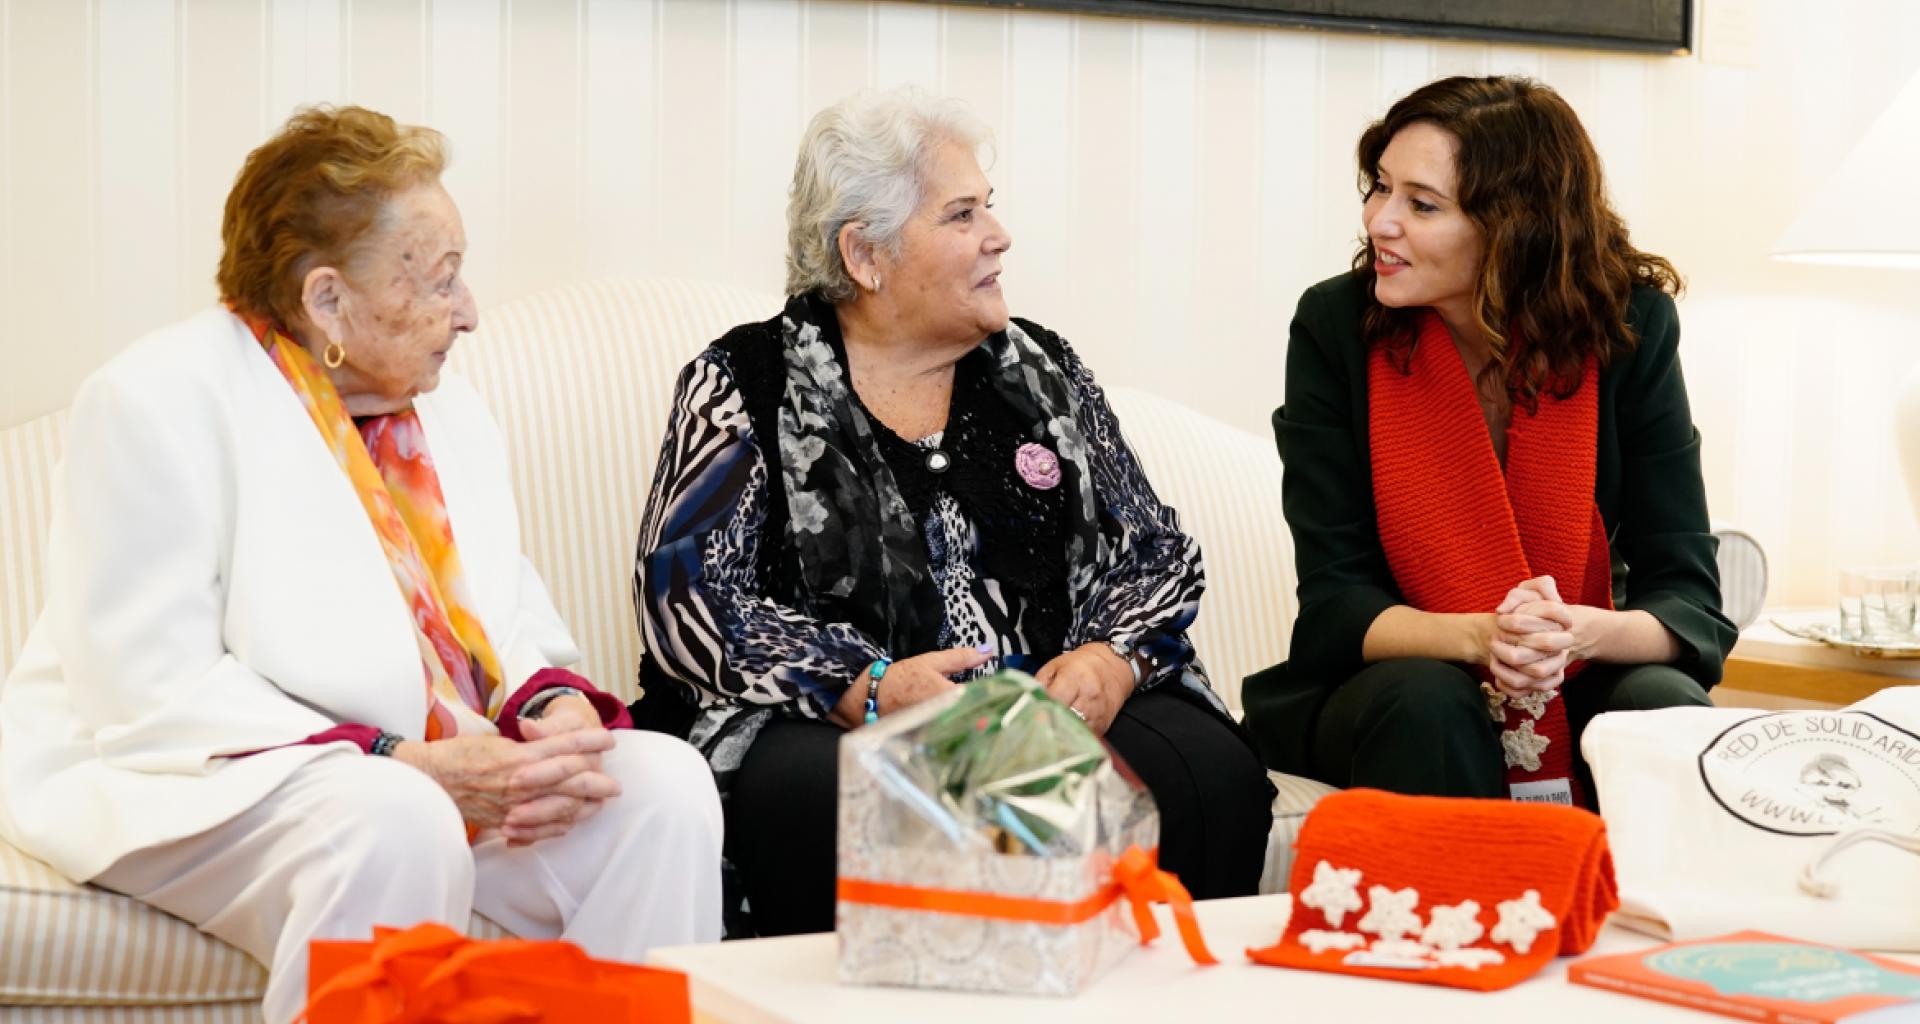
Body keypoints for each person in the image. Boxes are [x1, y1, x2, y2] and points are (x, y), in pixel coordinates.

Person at [0, 106, 721, 1022]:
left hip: (414, 761)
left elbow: (512, 617)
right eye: (442, 281)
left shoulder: (446, 409)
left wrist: (554, 709)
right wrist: (403, 760)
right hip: (189, 774)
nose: (468, 315)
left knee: (659, 788)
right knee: (397, 817)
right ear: (328, 300)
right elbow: (147, 690)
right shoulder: (154, 402)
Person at [634, 87, 1274, 936]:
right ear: (865, 255)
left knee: (1207, 775)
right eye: (962, 214)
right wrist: (861, 687)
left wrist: (1109, 661)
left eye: (989, 208)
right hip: (836, 720)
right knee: (821, 799)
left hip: (1052, 698)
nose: (998, 236)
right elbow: (687, 592)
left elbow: (1151, 548)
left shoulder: (1039, 370)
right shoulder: (745, 381)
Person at [1242, 76, 1738, 808]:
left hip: (1582, 656)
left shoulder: (1630, 324)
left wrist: (1575, 634)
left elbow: (1687, 596)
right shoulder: (1336, 326)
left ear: (1515, 227)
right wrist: (1482, 639)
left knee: (1658, 706)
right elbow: (1337, 607)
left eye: (1422, 205)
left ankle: (1668, 925)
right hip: (1390, 682)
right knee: (1430, 702)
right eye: (1380, 189)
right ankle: (1462, 923)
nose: (1381, 221)